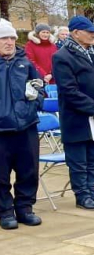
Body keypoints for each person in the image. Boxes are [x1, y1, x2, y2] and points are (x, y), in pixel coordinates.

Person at [52, 16, 94, 211]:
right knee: (78, 161)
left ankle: (92, 192)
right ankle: (82, 195)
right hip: (78, 118)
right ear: (76, 33)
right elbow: (69, 90)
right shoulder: (62, 56)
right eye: (89, 31)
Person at [0, 18, 44, 230]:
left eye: (11, 37)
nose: (9, 42)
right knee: (0, 174)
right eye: (4, 38)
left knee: (29, 170)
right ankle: (5, 211)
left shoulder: (24, 63)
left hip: (26, 126)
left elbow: (39, 88)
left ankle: (25, 208)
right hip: (1, 130)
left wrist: (36, 100)